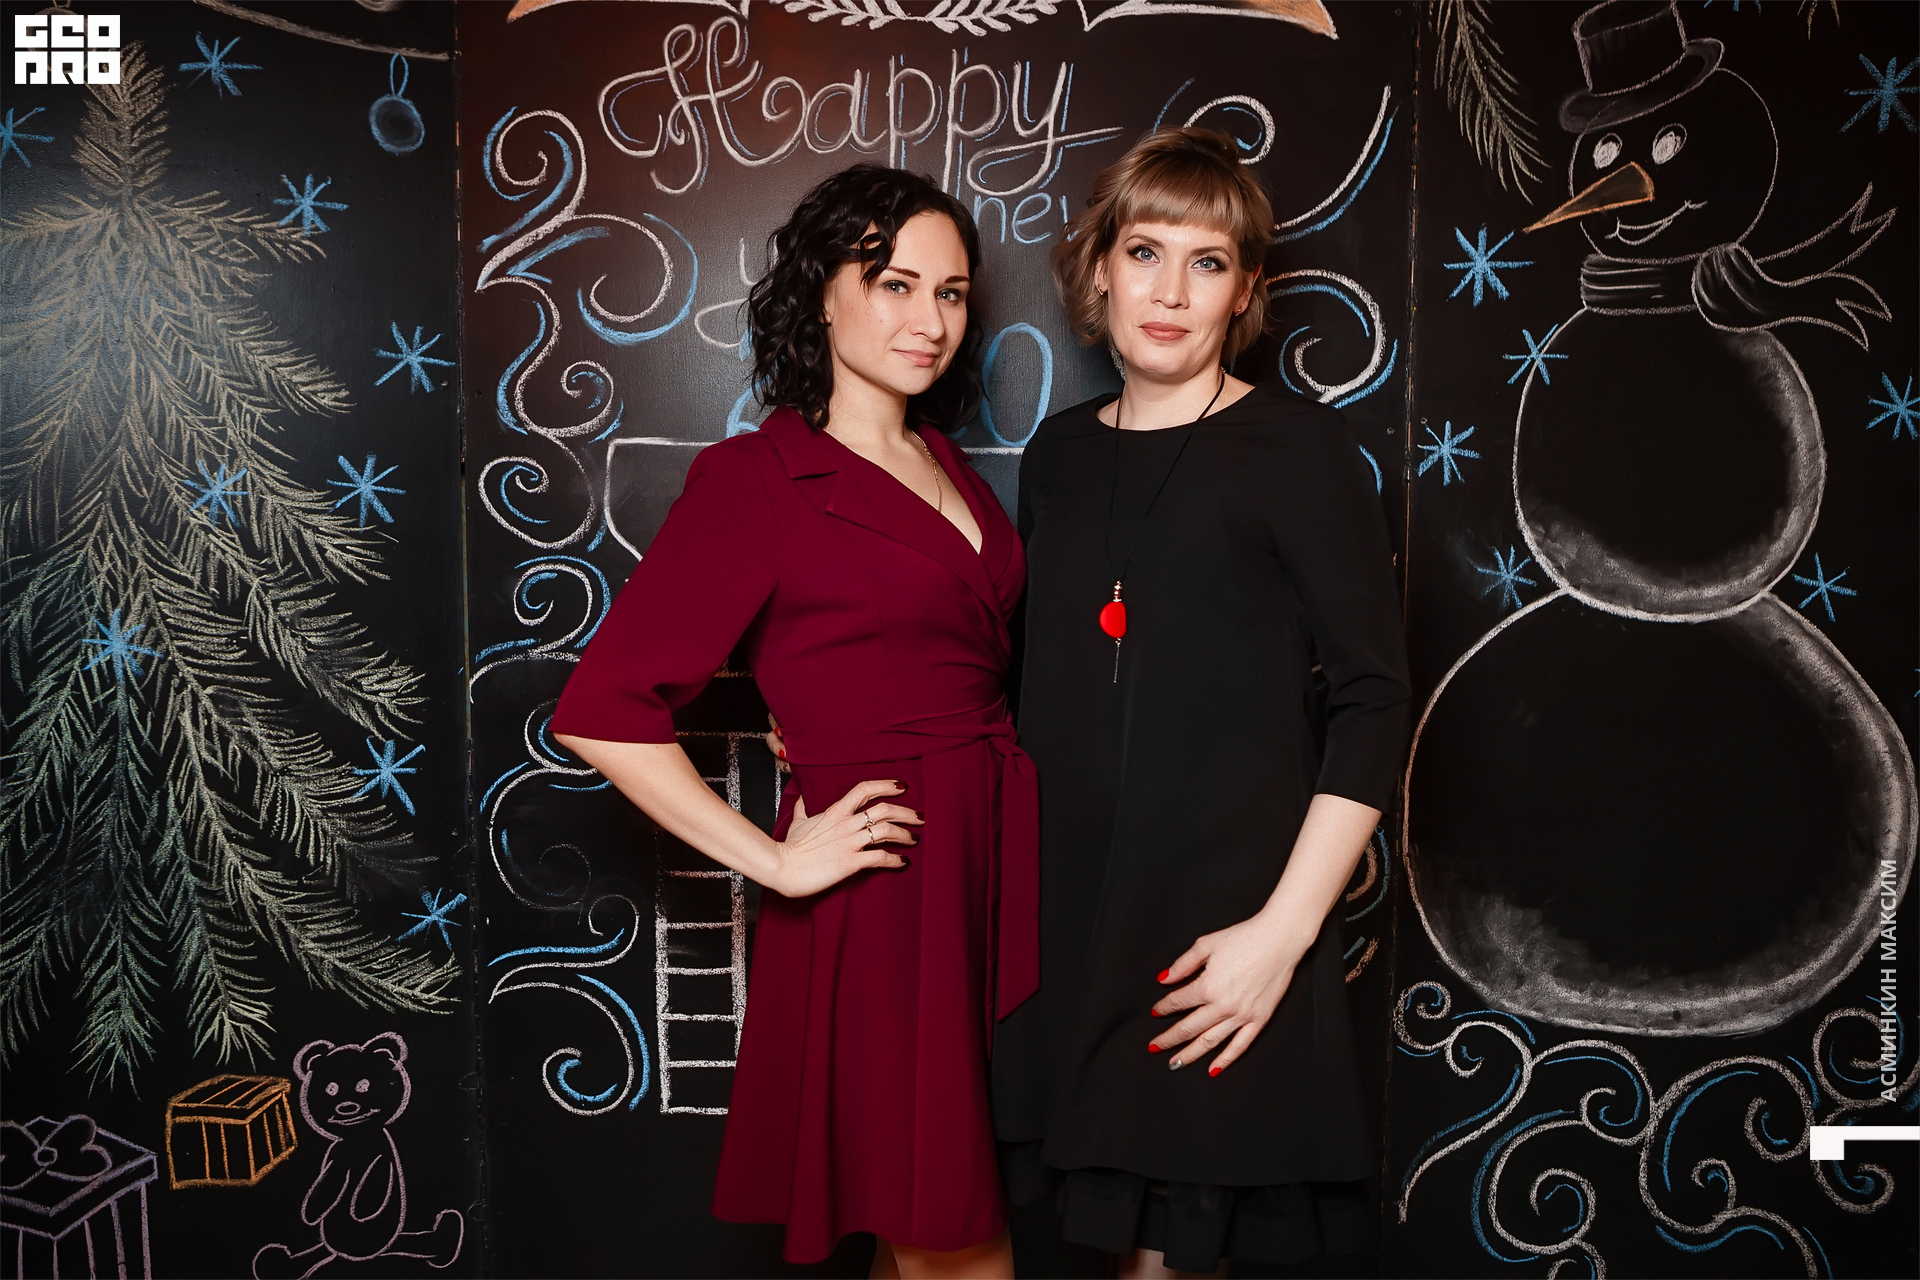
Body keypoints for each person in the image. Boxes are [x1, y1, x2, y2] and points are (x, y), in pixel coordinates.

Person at [550, 165, 1032, 1280]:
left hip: (986, 859)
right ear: (822, 291)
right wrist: (773, 857)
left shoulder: (942, 458)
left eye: (951, 293)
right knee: (955, 1241)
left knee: (917, 1224)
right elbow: (602, 710)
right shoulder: (758, 478)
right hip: (889, 885)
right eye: (895, 284)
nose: (930, 321)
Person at [991, 128, 1412, 1278]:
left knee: (1174, 1255)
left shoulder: (1301, 449)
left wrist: (1282, 934)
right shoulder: (1058, 456)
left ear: (1245, 290)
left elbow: (1375, 699)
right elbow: (1026, 677)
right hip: (1069, 927)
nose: (1171, 291)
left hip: (1221, 935)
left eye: (1208, 261)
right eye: (1145, 252)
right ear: (1099, 270)